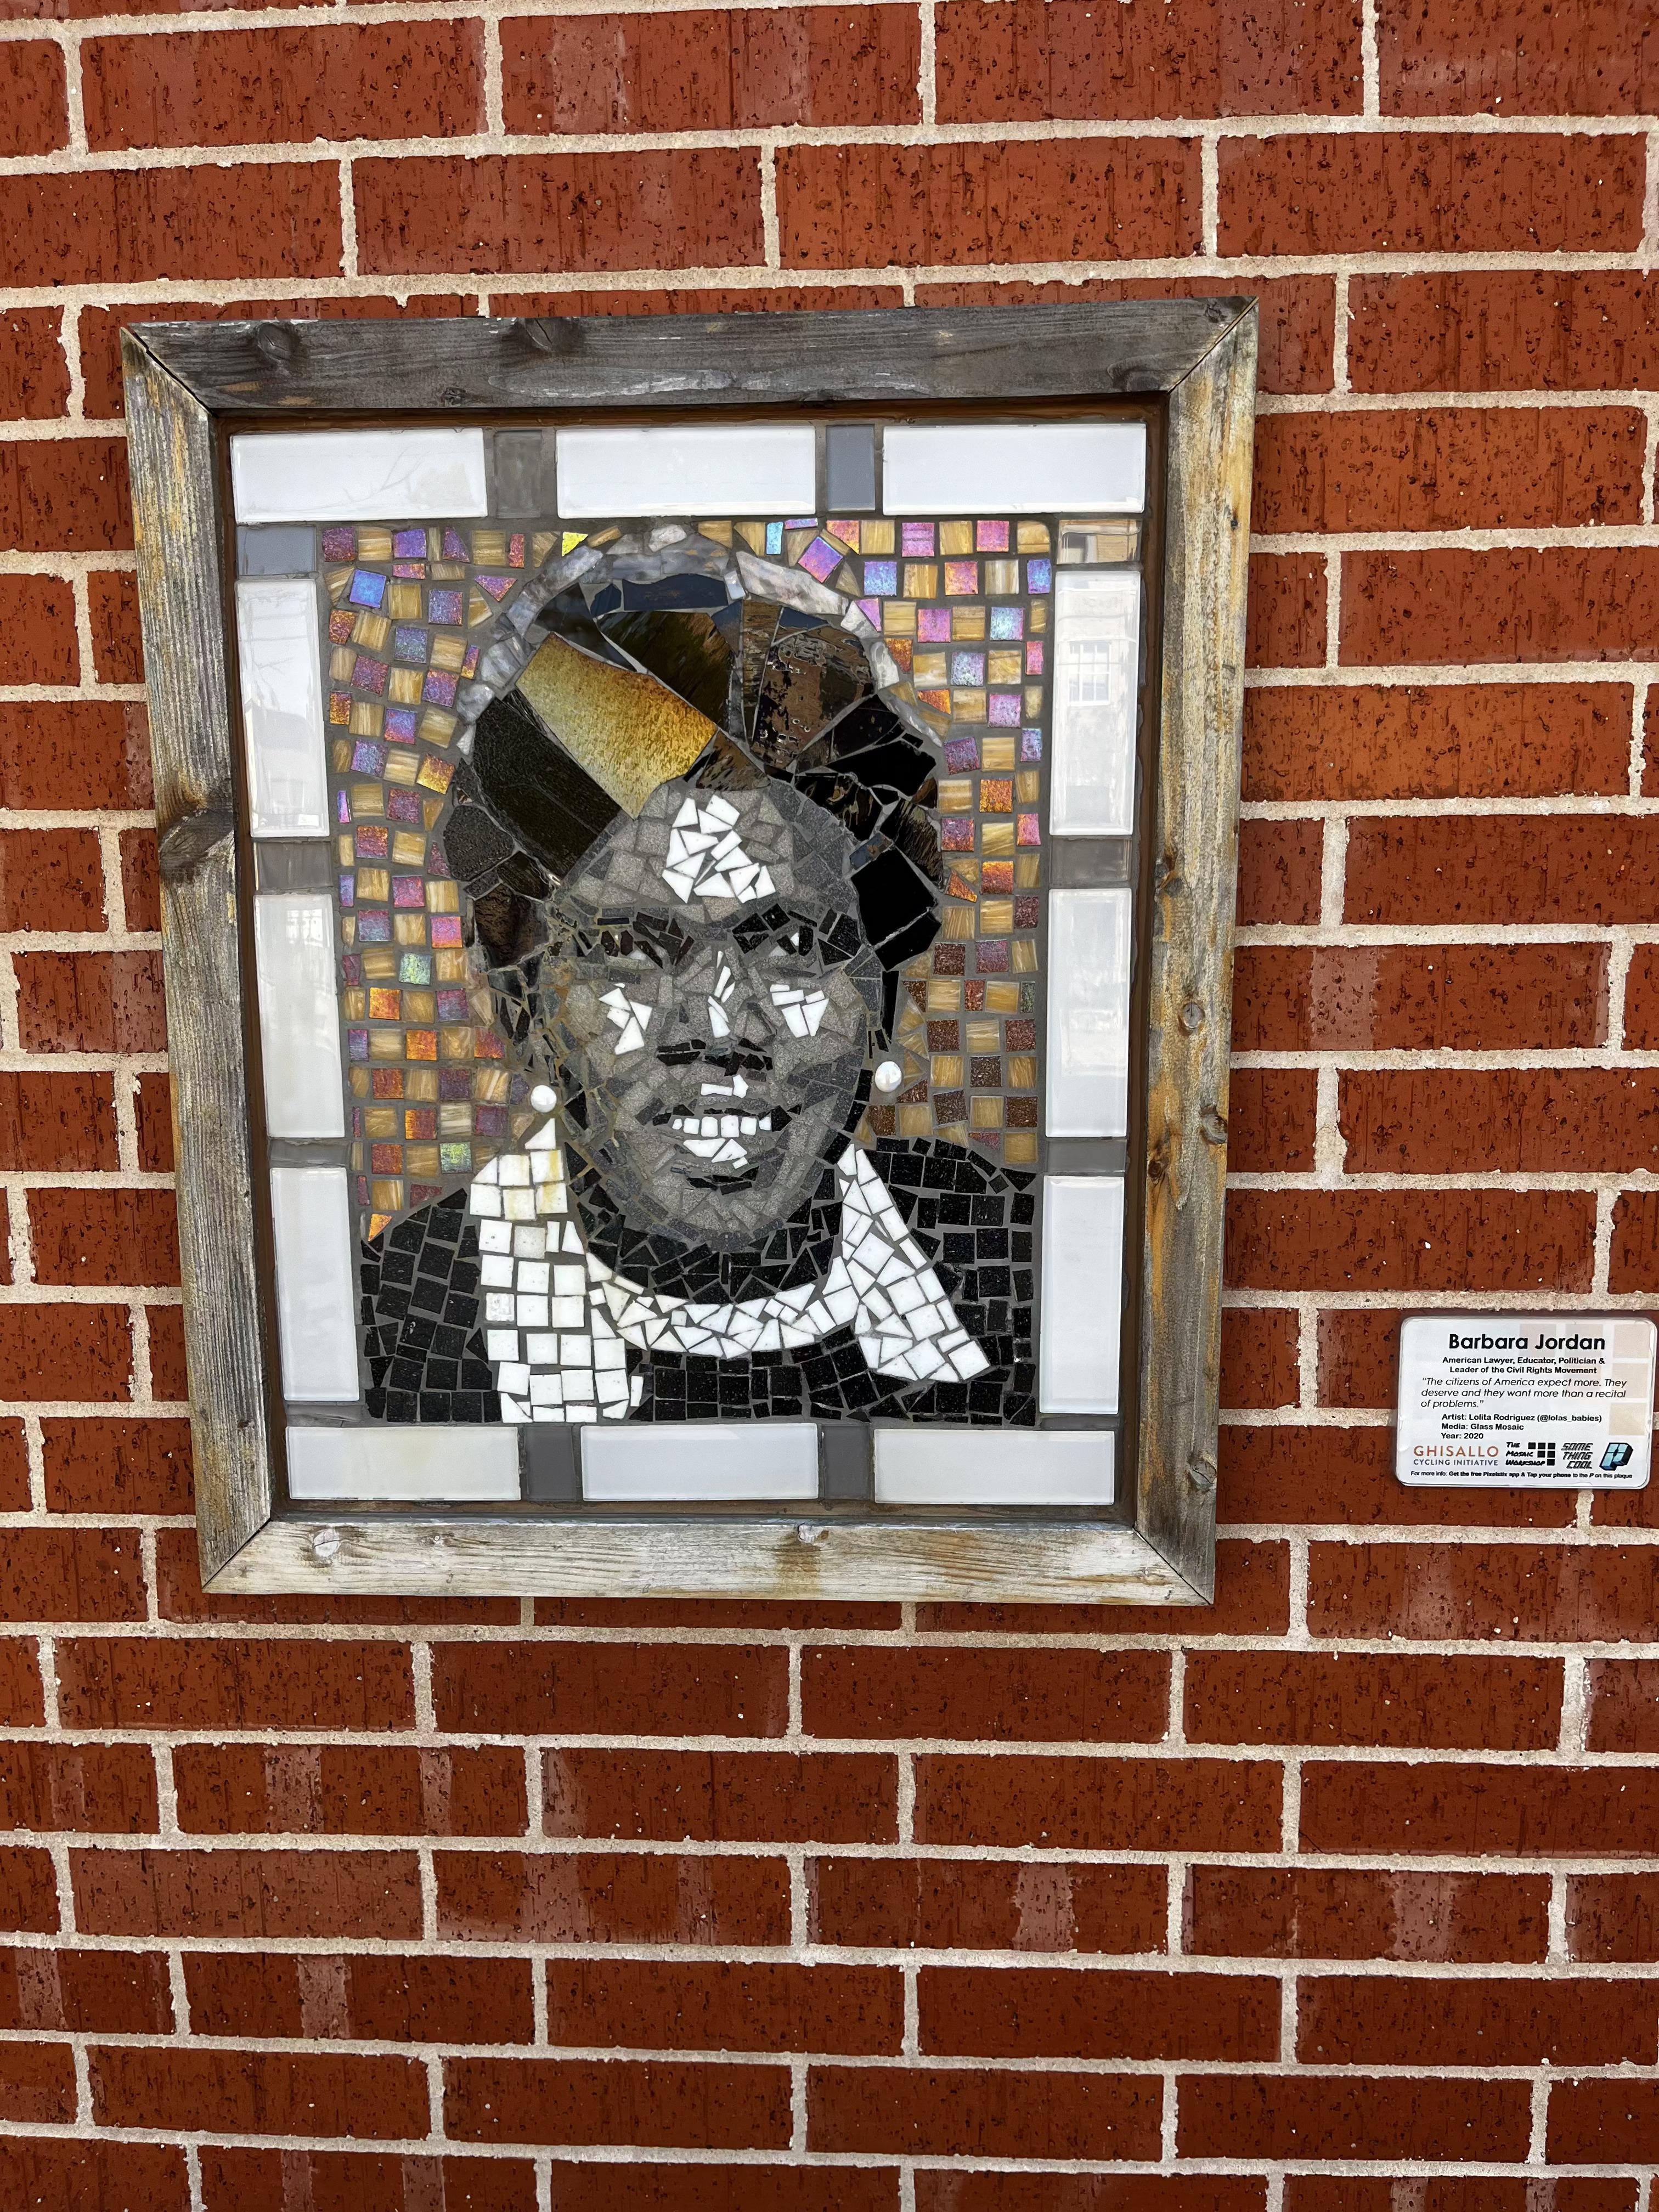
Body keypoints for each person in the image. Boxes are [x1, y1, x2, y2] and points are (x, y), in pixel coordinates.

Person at [359, 533, 1035, 1429]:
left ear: (883, 992)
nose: (723, 1026)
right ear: (521, 998)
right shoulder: (399, 1326)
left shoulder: (1016, 1267)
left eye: (793, 942)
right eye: (633, 951)